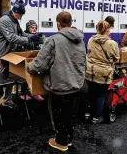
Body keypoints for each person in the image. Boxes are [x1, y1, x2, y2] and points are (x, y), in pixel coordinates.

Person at [27, 11, 86, 152]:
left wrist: (29, 68)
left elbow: (39, 64)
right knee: (70, 115)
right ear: (71, 23)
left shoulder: (53, 40)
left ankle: (60, 142)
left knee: (59, 115)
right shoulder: (81, 40)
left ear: (58, 24)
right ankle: (68, 139)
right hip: (76, 85)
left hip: (59, 85)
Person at [0, 0, 41, 114]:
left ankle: (7, 100)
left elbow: (21, 34)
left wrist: (32, 36)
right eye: (21, 15)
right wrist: (29, 39)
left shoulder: (14, 21)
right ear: (16, 12)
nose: (21, 17)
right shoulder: (5, 21)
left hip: (8, 55)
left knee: (9, 80)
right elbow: (12, 38)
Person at [85, 20, 120, 123]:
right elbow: (117, 58)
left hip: (90, 71)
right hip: (104, 73)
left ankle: (87, 114)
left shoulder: (91, 39)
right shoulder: (112, 43)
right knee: (101, 95)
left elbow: (89, 53)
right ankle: (96, 117)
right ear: (108, 30)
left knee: (91, 93)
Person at [20, 20, 45, 101]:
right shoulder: (23, 36)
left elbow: (41, 47)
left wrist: (42, 41)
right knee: (25, 77)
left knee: (35, 76)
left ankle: (35, 93)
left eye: (35, 28)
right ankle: (23, 94)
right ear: (28, 28)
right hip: (25, 59)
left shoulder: (36, 36)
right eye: (32, 27)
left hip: (34, 59)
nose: (34, 29)